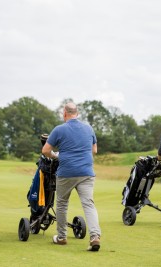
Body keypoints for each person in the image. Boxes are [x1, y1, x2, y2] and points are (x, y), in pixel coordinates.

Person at [42, 102, 102, 252]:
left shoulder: (59, 129)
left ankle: (62, 237)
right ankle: (95, 237)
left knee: (62, 204)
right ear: (77, 113)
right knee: (88, 204)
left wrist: (55, 156)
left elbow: (45, 150)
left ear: (65, 113)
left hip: (66, 172)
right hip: (86, 172)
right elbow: (94, 150)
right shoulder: (88, 128)